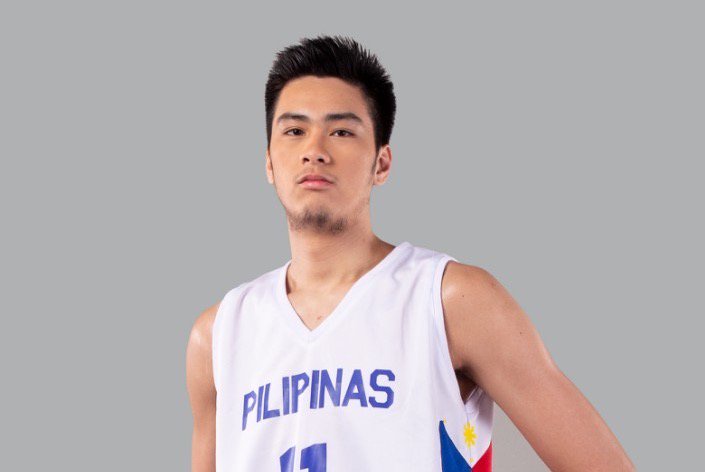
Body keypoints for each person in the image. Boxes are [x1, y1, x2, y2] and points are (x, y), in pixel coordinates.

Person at [186, 35, 635, 472]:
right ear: (269, 161)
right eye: (294, 131)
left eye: (341, 131)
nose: (315, 151)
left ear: (381, 163)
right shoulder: (218, 336)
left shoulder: (450, 300)